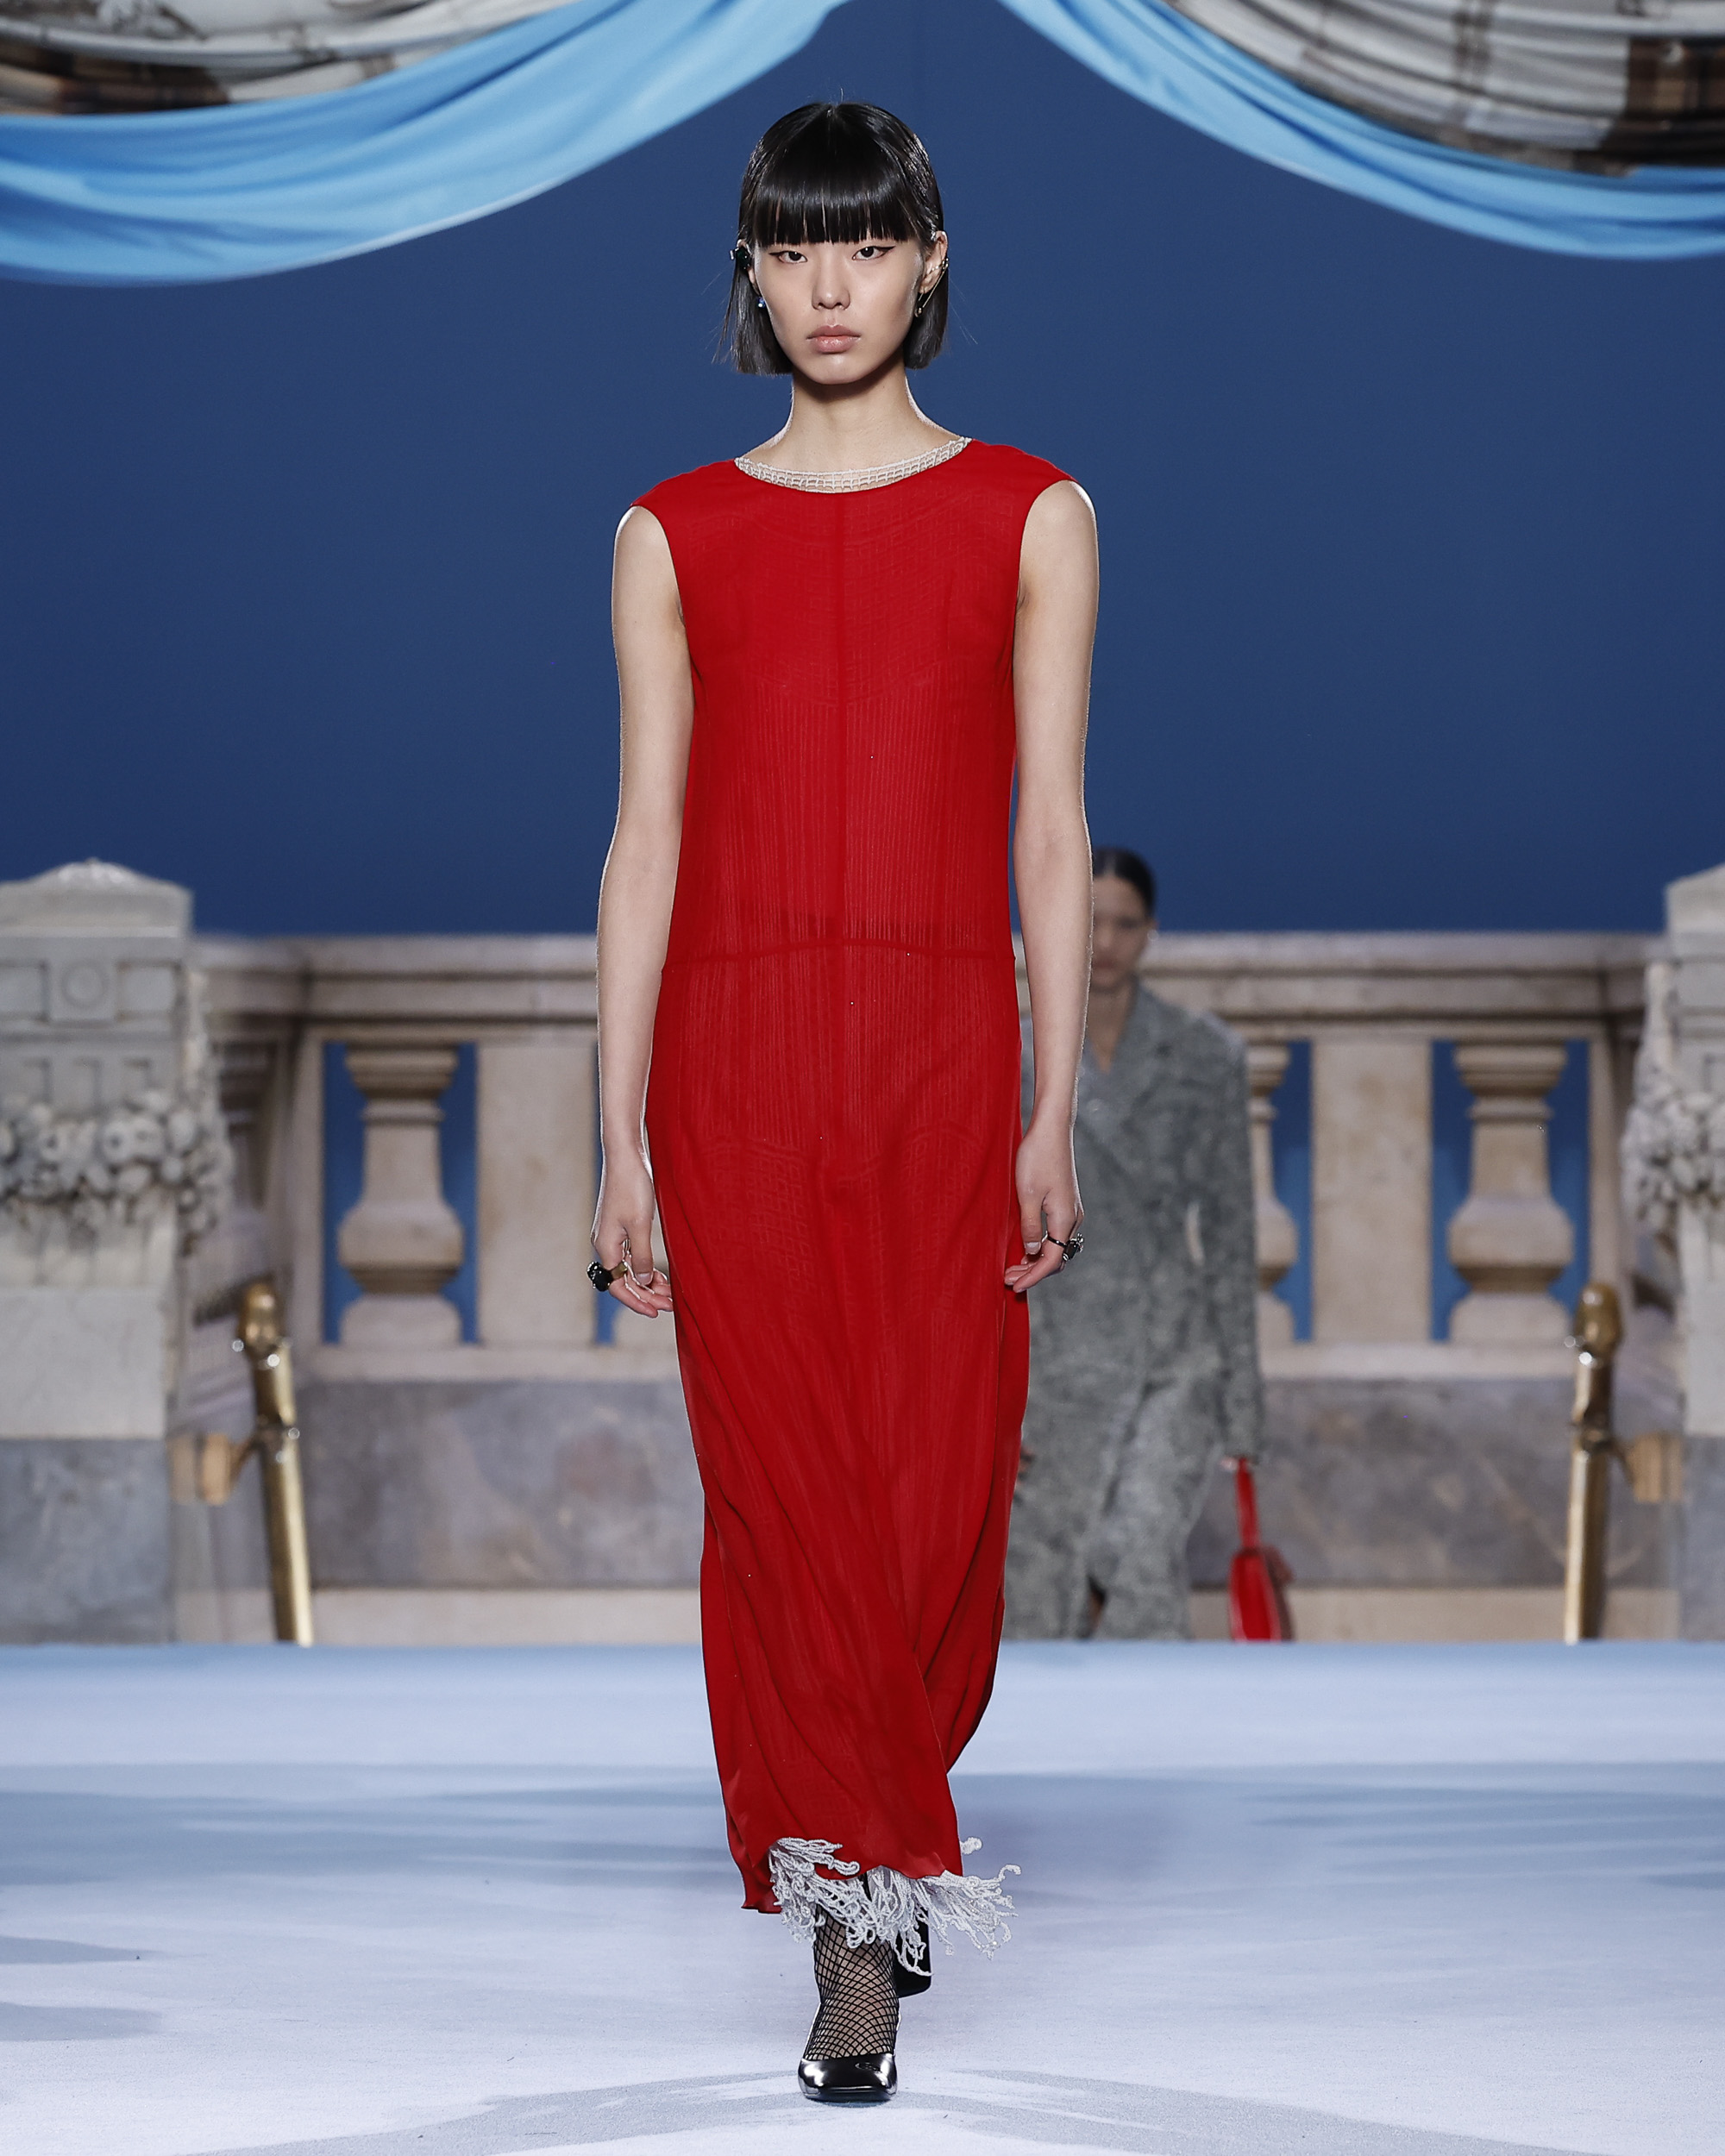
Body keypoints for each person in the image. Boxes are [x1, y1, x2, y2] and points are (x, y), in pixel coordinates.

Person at [590, 103, 1096, 2105]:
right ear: (749, 268)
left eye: (865, 245)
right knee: (786, 1498)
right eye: (794, 248)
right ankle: (857, 1929)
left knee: (933, 1501)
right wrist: (617, 1134)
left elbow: (1049, 836)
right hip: (733, 1064)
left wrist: (1052, 1100)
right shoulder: (668, 533)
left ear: (930, 261)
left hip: (939, 1056)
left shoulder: (1034, 514)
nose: (828, 286)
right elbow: (642, 843)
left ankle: (881, 1822)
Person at [1006, 848, 1264, 1640]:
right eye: (1091, 923)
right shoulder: (1013, 1053)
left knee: (1142, 1555)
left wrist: (1242, 1408)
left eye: (1124, 924)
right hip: (1052, 1352)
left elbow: (1230, 1230)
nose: (1107, 942)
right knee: (1038, 1576)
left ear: (1151, 931)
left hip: (1171, 1351)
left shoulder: (1204, 1055)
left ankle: (1153, 1719)